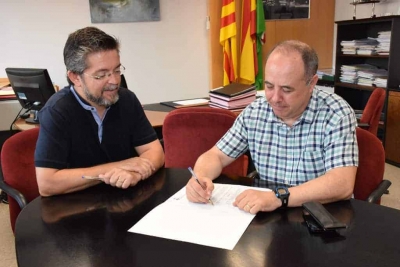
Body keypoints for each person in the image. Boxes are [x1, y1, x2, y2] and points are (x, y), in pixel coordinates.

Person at [186, 40, 358, 213]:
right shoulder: (255, 112)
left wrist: (279, 196)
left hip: (320, 215)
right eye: (269, 86)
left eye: (287, 89)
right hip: (270, 213)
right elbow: (216, 156)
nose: (275, 98)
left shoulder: (336, 114)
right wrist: (200, 177)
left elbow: (341, 183)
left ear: (312, 83)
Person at [35, 27, 164, 196]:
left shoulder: (127, 100)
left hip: (125, 199)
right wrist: (117, 167)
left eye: (117, 70)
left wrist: (135, 174)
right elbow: (47, 184)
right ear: (75, 77)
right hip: (76, 208)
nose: (114, 81)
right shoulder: (57, 111)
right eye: (101, 75)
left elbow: (155, 153)